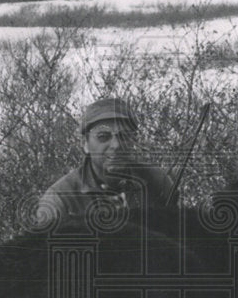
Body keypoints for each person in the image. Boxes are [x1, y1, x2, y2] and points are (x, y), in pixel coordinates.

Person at [36, 97, 174, 227]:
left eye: (124, 136)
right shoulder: (60, 199)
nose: (116, 145)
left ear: (134, 141)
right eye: (103, 137)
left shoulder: (158, 182)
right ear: (85, 144)